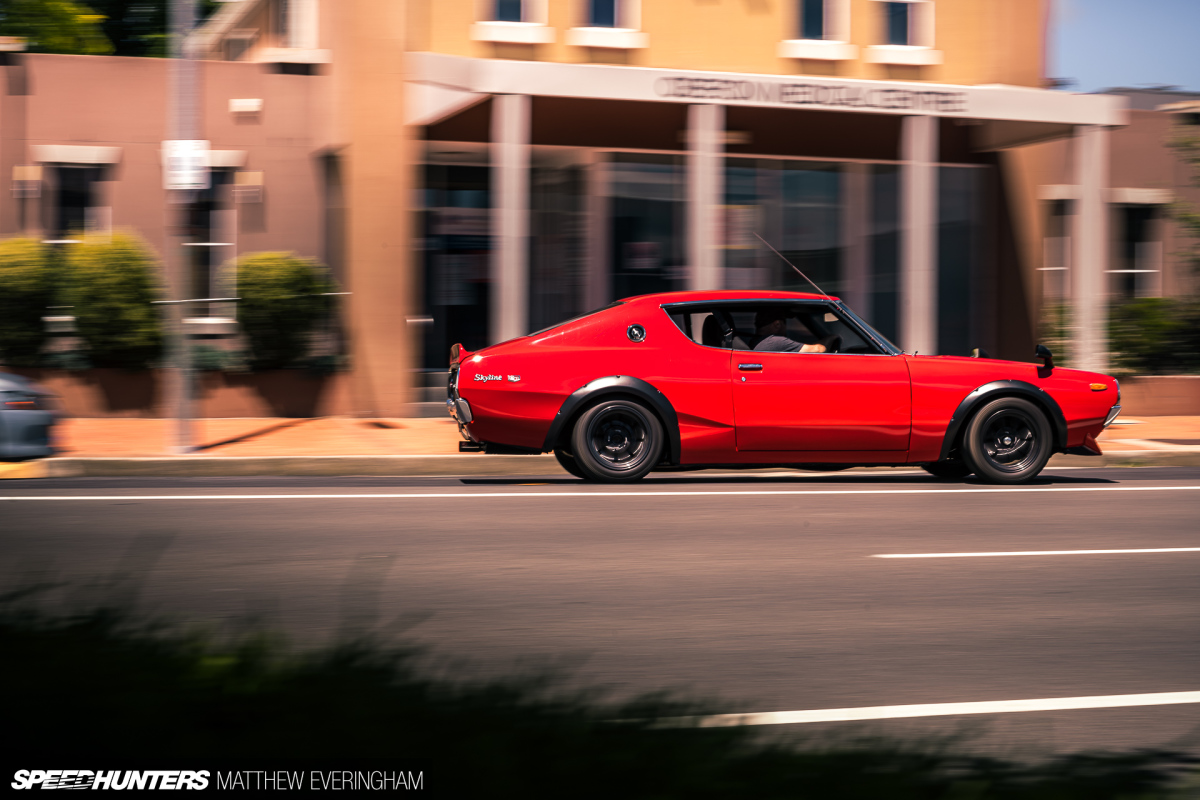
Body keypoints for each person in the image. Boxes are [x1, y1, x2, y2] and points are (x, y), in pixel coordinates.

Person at [750, 308, 826, 353]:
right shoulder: (776, 341)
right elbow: (818, 350)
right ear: (777, 324)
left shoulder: (756, 341)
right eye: (785, 322)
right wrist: (827, 344)